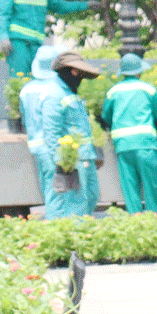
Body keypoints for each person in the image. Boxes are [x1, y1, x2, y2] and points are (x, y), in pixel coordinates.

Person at [25, 43, 104, 220]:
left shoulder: (68, 91)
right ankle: (70, 240)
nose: (81, 77)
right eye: (78, 73)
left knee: (90, 196)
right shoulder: (55, 95)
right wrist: (63, 162)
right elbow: (51, 133)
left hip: (84, 157)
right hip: (71, 159)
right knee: (71, 203)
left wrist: (94, 152)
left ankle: (80, 235)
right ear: (71, 71)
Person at [0, 0, 90, 75]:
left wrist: (86, 5)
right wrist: (4, 37)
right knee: (20, 79)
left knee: (41, 76)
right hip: (18, 45)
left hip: (37, 46)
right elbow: (4, 16)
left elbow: (61, 6)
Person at [101, 54, 157, 215]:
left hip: (123, 144)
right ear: (139, 72)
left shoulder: (113, 91)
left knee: (130, 186)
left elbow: (106, 116)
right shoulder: (148, 89)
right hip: (145, 143)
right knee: (151, 184)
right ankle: (154, 218)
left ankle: (136, 220)